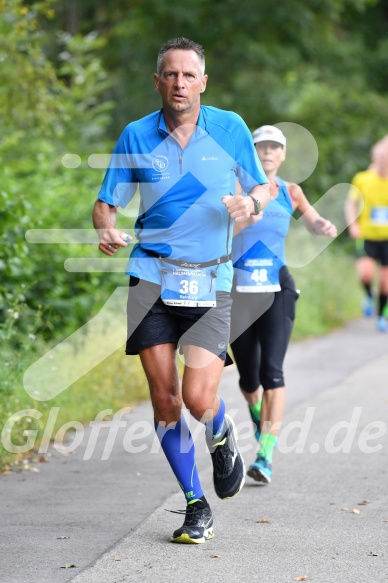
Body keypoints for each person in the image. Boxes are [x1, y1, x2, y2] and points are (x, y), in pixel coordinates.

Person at [92, 38, 270, 544]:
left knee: (197, 397)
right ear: (157, 82)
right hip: (151, 275)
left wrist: (250, 206)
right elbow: (106, 202)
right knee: (166, 401)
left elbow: (262, 187)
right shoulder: (136, 135)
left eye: (189, 75)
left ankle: (220, 432)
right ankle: (195, 505)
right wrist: (106, 227)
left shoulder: (230, 128)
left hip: (212, 277)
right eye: (170, 75)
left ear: (203, 82)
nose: (179, 84)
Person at [230, 125, 337, 484]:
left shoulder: (291, 191)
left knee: (272, 372)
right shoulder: (238, 191)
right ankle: (260, 415)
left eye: (275, 147)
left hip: (277, 288)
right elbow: (219, 232)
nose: (268, 153)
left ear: (283, 155)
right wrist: (245, 219)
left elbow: (311, 220)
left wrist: (322, 225)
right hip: (238, 292)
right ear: (252, 152)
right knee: (248, 380)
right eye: (261, 147)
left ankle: (265, 455)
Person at [344, 136, 388, 332]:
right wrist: (353, 225)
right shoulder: (362, 179)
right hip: (367, 235)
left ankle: (382, 315)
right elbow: (350, 204)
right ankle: (369, 295)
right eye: (381, 156)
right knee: (365, 274)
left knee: (386, 283)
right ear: (375, 157)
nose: (383, 160)